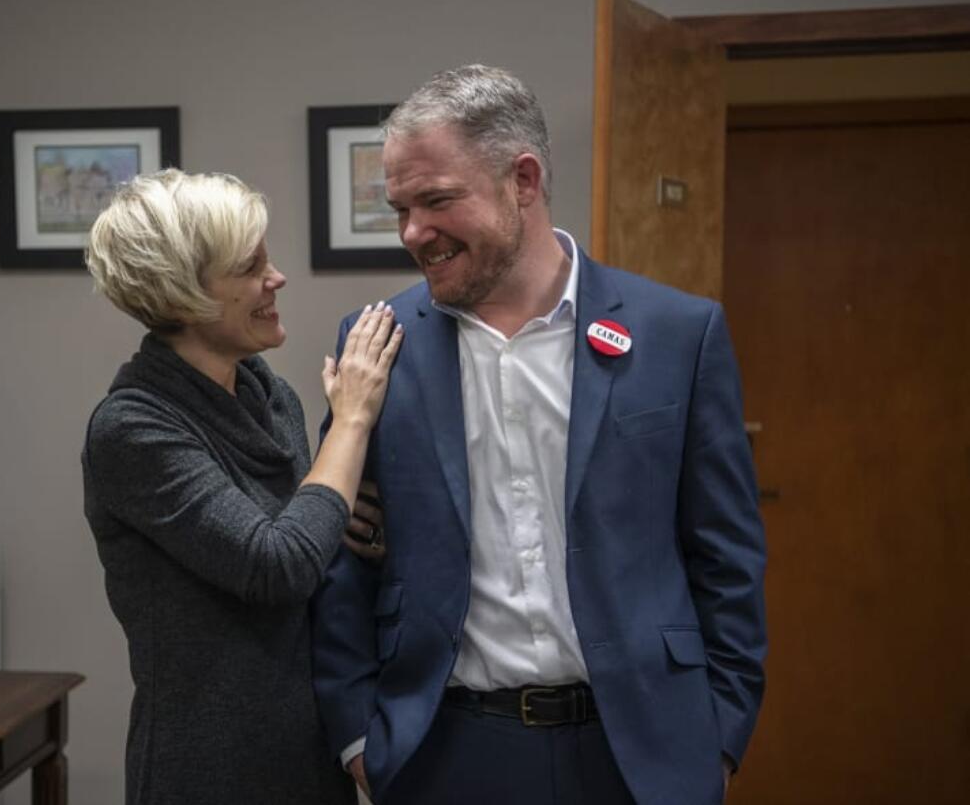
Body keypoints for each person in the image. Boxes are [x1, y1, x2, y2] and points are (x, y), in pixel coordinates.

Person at [310, 64, 767, 805]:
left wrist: (717, 739)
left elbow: (728, 557)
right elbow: (342, 559)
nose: (412, 233)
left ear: (522, 180)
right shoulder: (378, 344)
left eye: (435, 201)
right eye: (399, 208)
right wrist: (361, 739)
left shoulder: (678, 335)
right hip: (443, 751)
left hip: (643, 755)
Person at [81, 168, 402, 805]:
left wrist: (344, 526)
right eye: (251, 267)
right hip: (207, 766)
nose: (275, 278)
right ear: (184, 295)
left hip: (309, 753)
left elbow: (306, 542)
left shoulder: (268, 394)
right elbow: (275, 566)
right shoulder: (131, 428)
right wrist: (354, 418)